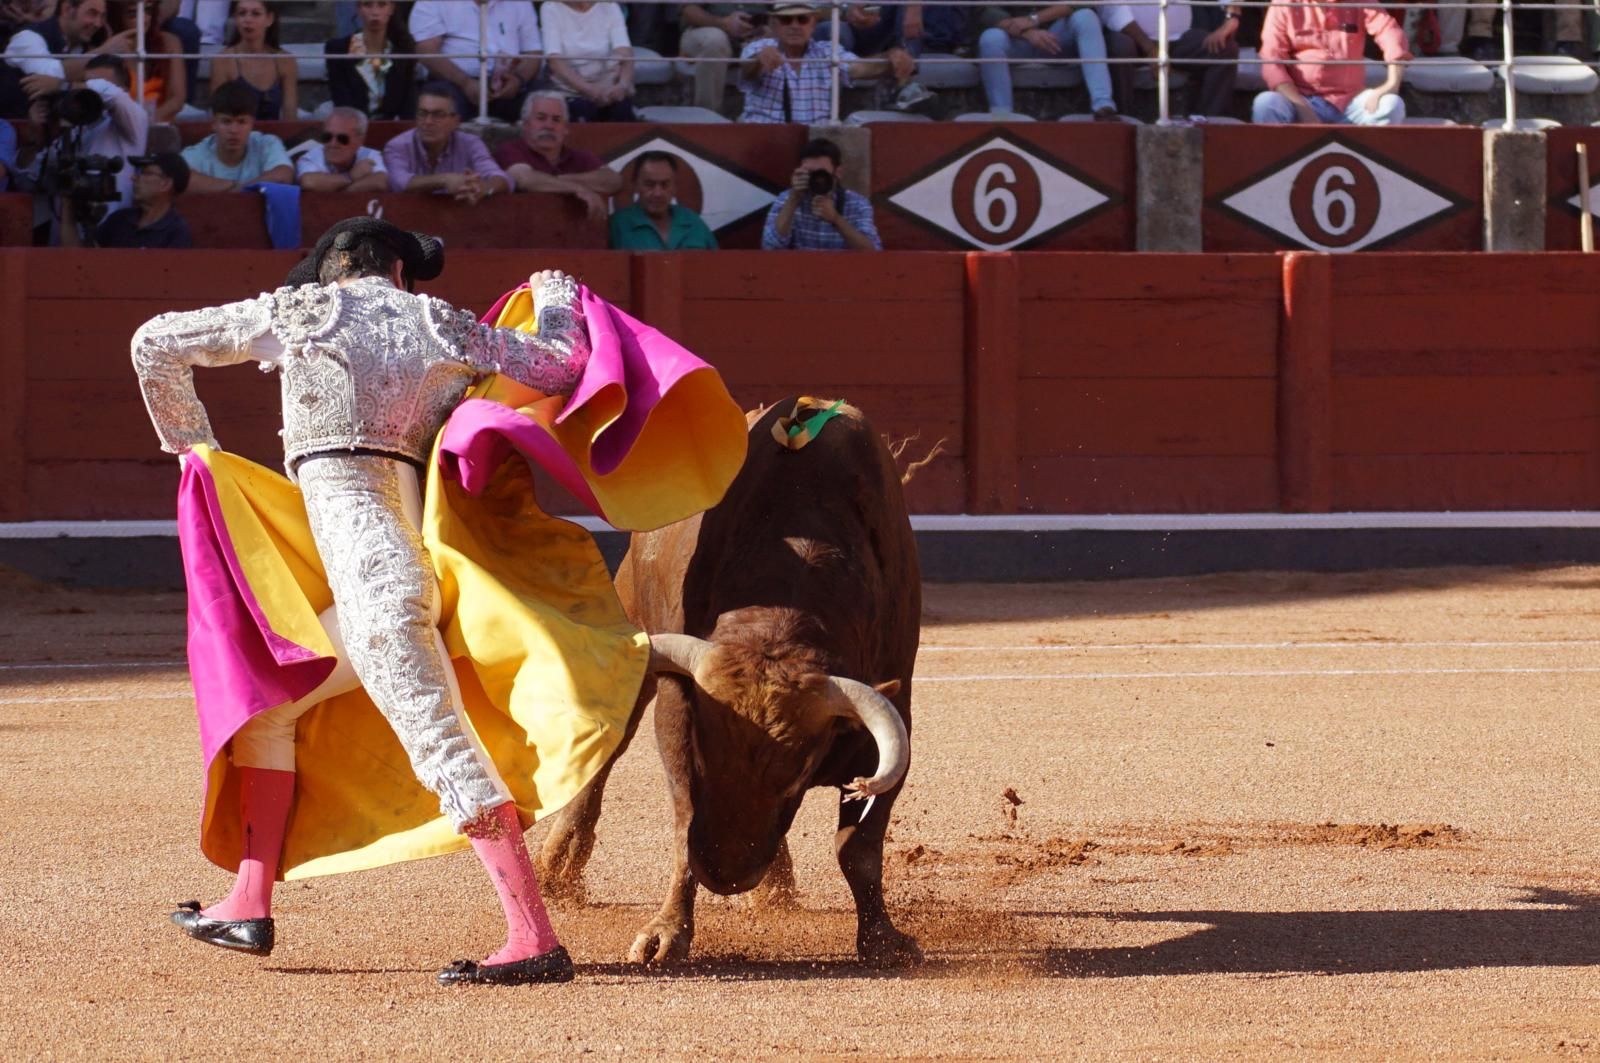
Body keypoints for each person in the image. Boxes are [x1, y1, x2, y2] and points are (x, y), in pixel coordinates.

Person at [132, 219, 591, 986]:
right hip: (414, 567)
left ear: (330, 272)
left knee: (443, 746)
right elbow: (558, 365)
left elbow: (153, 343)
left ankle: (534, 938)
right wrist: (557, 299)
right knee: (270, 708)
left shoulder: (302, 314)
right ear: (402, 272)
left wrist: (194, 451)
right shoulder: (440, 322)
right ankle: (247, 903)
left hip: (376, 590)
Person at [27, 53, 147, 243]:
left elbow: (114, 96)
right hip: (62, 244)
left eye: (95, 86)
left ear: (124, 89)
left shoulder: (134, 121)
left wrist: (64, 86)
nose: (88, 93)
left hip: (109, 240)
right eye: (87, 83)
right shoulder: (74, 129)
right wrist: (37, 133)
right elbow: (32, 176)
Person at [1252, 0, 1410, 125]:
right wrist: (1302, 108)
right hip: (1300, 99)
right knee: (1265, 103)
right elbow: (1271, 60)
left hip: (1350, 101)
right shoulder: (1284, 3)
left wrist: (1392, 84)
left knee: (1392, 105)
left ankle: (1369, 163)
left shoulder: (1360, 1)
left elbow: (1390, 32)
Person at [736, 1, 887, 124]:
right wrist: (759, 60)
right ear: (774, 25)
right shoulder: (759, 47)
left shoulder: (827, 51)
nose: (794, 25)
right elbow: (747, 71)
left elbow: (859, 68)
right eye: (786, 19)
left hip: (813, 144)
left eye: (802, 19)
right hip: (767, 138)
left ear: (813, 25)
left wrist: (890, 58)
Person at [494, 91, 620, 221]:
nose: (549, 126)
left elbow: (613, 180)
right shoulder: (510, 150)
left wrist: (559, 179)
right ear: (526, 125)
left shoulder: (578, 156)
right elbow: (525, 179)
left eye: (556, 120)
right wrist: (578, 189)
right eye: (541, 118)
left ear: (565, 128)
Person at [818, 2, 967, 112]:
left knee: (908, 4)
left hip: (897, 26)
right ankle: (830, 104)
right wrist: (847, 11)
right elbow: (813, 12)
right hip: (851, 33)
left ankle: (904, 83)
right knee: (831, 28)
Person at [976, 5, 1119, 119]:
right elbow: (987, 11)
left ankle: (1103, 106)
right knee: (990, 38)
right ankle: (1002, 114)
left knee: (1086, 16)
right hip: (1015, 39)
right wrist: (1028, 33)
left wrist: (1034, 19)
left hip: (1055, 39)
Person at [1100, 0, 1238, 118]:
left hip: (1177, 38)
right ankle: (1122, 119)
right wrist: (1150, 48)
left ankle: (1212, 123)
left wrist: (1231, 19)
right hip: (1131, 38)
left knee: (1225, 48)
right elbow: (1112, 9)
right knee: (1119, 47)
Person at [411, 0, 542, 123]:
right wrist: (465, 83)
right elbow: (427, 51)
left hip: (508, 84)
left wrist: (518, 80)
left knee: (544, 102)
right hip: (453, 82)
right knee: (439, 103)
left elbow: (534, 53)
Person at [383, 81, 509, 203]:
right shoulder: (397, 145)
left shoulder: (471, 143)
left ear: (456, 121)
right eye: (422, 113)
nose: (428, 122)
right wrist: (444, 180)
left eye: (438, 115)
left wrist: (484, 189)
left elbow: (501, 178)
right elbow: (399, 183)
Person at [761, 137, 879, 251]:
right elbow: (769, 247)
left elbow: (873, 252)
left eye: (822, 173)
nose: (817, 179)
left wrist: (836, 219)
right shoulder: (787, 198)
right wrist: (793, 199)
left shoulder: (857, 203)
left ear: (838, 172)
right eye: (810, 173)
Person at [0, 0, 108, 119]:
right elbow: (49, 75)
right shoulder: (28, 37)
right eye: (92, 13)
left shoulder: (85, 47)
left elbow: (110, 89)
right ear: (67, 9)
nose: (98, 23)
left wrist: (65, 86)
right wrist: (106, 51)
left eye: (102, 16)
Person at [180, 79, 293, 191]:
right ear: (213, 123)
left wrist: (239, 189)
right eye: (226, 122)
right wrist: (238, 188)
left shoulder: (267, 143)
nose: (234, 130)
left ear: (252, 124)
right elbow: (182, 179)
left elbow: (283, 176)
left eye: (242, 122)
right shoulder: (197, 153)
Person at [72, 150, 193, 246]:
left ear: (165, 184)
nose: (134, 178)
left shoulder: (176, 231)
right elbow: (81, 261)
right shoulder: (119, 220)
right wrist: (67, 205)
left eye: (146, 173)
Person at [540, 0, 634, 123]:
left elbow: (625, 51)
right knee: (583, 111)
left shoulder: (609, 6)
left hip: (608, 87)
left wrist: (622, 85)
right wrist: (589, 90)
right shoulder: (550, 7)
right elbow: (555, 61)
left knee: (622, 110)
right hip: (571, 90)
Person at [325, 0, 417, 120]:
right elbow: (341, 98)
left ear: (391, 9)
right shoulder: (338, 49)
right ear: (358, 9)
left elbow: (408, 103)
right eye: (367, 5)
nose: (375, 12)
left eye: (382, 4)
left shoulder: (403, 50)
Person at [208, 0, 298, 121]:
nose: (247, 19)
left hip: (274, 137)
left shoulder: (285, 61)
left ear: (269, 19)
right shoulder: (223, 61)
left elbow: (290, 115)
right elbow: (218, 115)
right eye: (242, 13)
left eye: (255, 13)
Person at [609, 150, 716, 250]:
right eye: (649, 184)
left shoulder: (693, 222)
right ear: (636, 185)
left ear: (674, 187)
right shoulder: (618, 225)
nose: (658, 193)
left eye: (665, 185)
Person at [677, 1, 765, 113]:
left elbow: (783, 11)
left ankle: (765, 117)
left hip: (755, 36)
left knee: (774, 40)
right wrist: (724, 23)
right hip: (705, 30)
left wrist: (767, 31)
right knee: (715, 40)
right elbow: (689, 10)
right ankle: (707, 118)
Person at [104, 0, 186, 120]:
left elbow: (177, 100)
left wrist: (144, 123)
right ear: (116, 16)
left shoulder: (169, 43)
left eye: (147, 11)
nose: (143, 19)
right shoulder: (105, 48)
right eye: (132, 14)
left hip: (158, 126)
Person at [296, 105, 388, 193]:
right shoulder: (310, 157)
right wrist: (350, 176)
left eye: (342, 138)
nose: (333, 144)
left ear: (360, 140)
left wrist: (338, 191)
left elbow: (380, 182)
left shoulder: (370, 155)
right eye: (327, 137)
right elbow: (308, 182)